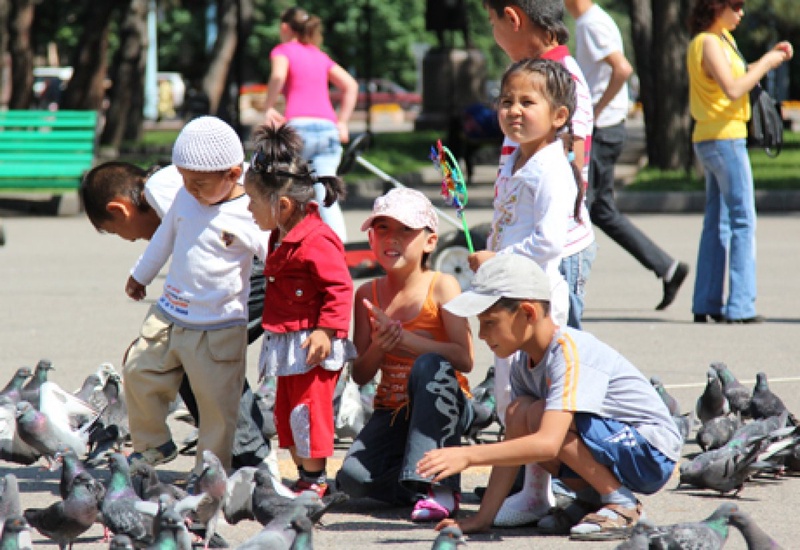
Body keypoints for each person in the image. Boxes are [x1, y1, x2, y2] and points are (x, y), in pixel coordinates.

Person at [416, 254, 682, 540]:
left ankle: (622, 505)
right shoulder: (523, 362)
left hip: (650, 452)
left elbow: (547, 443)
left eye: (490, 322)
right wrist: (482, 519)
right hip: (614, 443)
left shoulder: (568, 352)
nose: (482, 334)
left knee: (540, 417)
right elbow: (515, 442)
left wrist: (468, 455)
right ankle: (592, 500)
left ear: (528, 313)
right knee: (520, 412)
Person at [480, 0, 598, 527]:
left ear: (558, 116)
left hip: (536, 295)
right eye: (506, 100)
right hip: (509, 289)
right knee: (510, 391)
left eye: (526, 102)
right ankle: (529, 487)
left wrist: (498, 258)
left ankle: (542, 488)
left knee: (545, 393)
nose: (514, 110)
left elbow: (549, 238)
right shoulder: (522, 155)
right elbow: (509, 220)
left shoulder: (552, 164)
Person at [80, 160, 276, 472]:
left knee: (204, 358)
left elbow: (235, 217)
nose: (129, 240)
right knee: (191, 357)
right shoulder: (172, 188)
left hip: (250, 273)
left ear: (120, 210)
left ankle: (247, 457)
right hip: (227, 284)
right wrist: (142, 274)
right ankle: (238, 450)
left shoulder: (166, 190)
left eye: (118, 232)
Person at [121, 116, 270, 479]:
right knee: (138, 369)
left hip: (220, 322)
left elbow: (273, 251)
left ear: (234, 174)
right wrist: (140, 275)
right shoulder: (186, 199)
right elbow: (163, 239)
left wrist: (248, 240)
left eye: (199, 183)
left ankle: (211, 472)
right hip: (170, 311)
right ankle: (153, 443)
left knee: (216, 405)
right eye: (184, 180)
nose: (189, 189)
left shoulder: (251, 210)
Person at [335, 187, 476, 523]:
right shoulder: (367, 293)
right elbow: (360, 375)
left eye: (405, 230)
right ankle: (415, 486)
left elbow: (464, 358)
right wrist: (381, 346)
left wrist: (409, 340)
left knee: (428, 364)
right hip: (392, 410)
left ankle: (441, 488)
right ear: (370, 237)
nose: (391, 238)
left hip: (445, 404)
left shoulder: (443, 285)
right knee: (353, 481)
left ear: (429, 241)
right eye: (382, 228)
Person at [244, 123, 355, 498]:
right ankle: (306, 476)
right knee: (287, 412)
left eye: (252, 202)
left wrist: (327, 329)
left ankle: (315, 479)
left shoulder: (317, 239)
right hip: (288, 338)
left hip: (311, 341)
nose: (247, 208)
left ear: (283, 205)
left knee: (309, 412)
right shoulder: (281, 233)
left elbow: (339, 287)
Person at [565, 0, 690, 312]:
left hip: (603, 129)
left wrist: (594, 110)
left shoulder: (591, 23)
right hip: (607, 127)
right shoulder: (590, 22)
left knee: (581, 207)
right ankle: (667, 268)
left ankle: (567, 293)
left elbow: (622, 69)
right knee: (599, 209)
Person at [483, 0, 596, 331]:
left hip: (554, 253)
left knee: (558, 347)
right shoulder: (530, 80)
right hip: (527, 247)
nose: (494, 34)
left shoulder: (559, 80)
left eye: (493, 23)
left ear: (513, 18)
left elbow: (571, 169)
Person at [687, 0, 793, 323]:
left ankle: (707, 303)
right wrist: (768, 63)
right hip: (725, 138)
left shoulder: (719, 41)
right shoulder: (708, 42)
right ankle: (741, 306)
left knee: (717, 221)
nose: (741, 12)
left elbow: (738, 77)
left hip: (711, 137)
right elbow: (733, 89)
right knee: (743, 220)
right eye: (735, 5)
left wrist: (768, 61)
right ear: (716, 7)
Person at [263, 6, 358, 244]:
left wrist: (268, 107)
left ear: (285, 27)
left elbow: (278, 76)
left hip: (298, 128)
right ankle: (338, 251)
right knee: (326, 193)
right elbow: (350, 85)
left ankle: (290, 247)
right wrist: (343, 122)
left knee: (289, 191)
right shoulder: (319, 55)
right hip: (327, 129)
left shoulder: (282, 50)